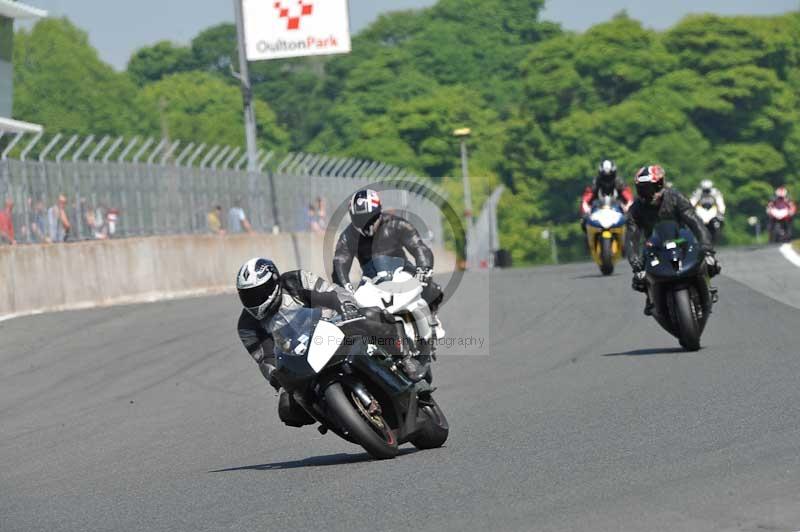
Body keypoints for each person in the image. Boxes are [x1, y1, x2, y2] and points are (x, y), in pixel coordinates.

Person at [235, 258, 422, 427]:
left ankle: (405, 358)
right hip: (299, 357)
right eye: (247, 295)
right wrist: (275, 377)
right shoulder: (247, 326)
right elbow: (265, 357)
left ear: (274, 281)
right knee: (287, 408)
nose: (254, 300)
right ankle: (333, 416)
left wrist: (347, 306)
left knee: (371, 315)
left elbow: (331, 293)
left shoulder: (295, 280)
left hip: (333, 327)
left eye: (258, 293)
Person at [332, 189, 444, 325]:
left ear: (378, 212)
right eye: (360, 219)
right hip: (370, 279)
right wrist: (346, 290)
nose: (366, 223)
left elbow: (419, 247)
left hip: (402, 270)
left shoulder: (396, 224)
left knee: (431, 289)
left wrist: (423, 270)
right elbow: (339, 263)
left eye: (369, 217)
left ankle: (431, 317)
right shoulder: (347, 236)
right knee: (353, 313)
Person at [626, 165, 721, 315]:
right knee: (639, 279)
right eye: (643, 189)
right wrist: (634, 260)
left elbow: (695, 222)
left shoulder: (676, 197)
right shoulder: (635, 209)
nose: (648, 193)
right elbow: (632, 237)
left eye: (650, 188)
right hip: (654, 246)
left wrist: (707, 248)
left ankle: (707, 286)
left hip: (682, 240)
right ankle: (651, 298)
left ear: (660, 184)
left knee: (710, 263)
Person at [580, 159, 634, 228]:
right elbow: (586, 199)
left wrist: (627, 208)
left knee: (631, 221)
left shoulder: (619, 182)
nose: (607, 179)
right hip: (598, 212)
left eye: (610, 176)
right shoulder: (595, 182)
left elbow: (629, 198)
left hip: (617, 212)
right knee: (584, 221)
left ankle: (629, 234)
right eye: (605, 176)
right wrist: (587, 210)